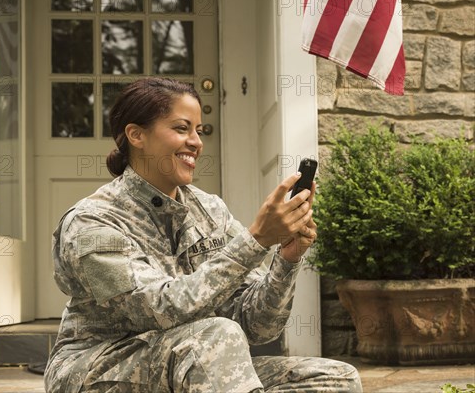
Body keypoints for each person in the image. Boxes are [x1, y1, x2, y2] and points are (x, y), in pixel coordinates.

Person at [44, 77, 363, 392]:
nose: (196, 141)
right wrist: (255, 241)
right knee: (214, 337)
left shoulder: (210, 210)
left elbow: (257, 325)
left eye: (198, 130)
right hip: (97, 369)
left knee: (333, 379)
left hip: (197, 361)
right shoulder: (92, 222)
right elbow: (162, 309)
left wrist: (286, 258)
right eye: (182, 128)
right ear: (136, 135)